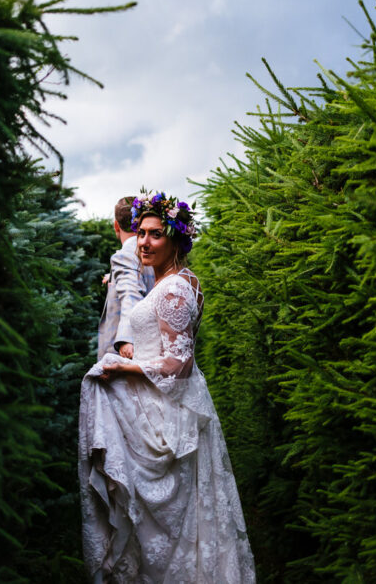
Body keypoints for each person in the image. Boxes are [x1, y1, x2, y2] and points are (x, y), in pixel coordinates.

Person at [79, 192, 257, 583]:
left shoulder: (174, 288)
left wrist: (126, 366)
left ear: (175, 240)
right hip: (163, 404)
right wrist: (132, 348)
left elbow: (179, 363)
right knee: (173, 522)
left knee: (170, 526)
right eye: (140, 233)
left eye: (155, 234)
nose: (143, 242)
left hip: (166, 413)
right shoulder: (176, 282)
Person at [97, 196, 156, 361]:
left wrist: (126, 339)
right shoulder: (154, 253)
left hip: (124, 358)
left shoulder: (125, 256)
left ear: (116, 225)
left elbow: (131, 295)